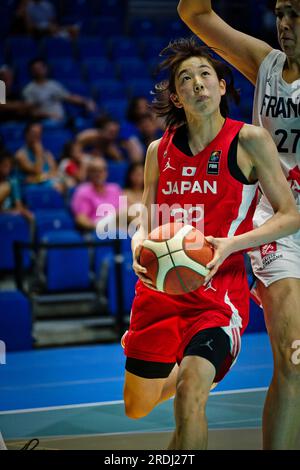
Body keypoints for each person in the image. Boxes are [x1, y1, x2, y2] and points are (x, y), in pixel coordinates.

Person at [122, 37, 300, 450]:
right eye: (186, 79)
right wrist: (137, 244)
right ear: (177, 97)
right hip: (159, 294)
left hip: (218, 297)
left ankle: (191, 369)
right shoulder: (157, 150)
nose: (198, 83)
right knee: (137, 406)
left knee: (191, 394)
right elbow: (145, 219)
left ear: (222, 86)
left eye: (206, 75)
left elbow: (290, 215)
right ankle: (173, 365)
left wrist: (230, 245)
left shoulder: (250, 140)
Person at [177, 0, 300, 450]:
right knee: (293, 360)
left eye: (296, 15)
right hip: (280, 230)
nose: (284, 24)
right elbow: (195, 14)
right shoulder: (266, 65)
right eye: (281, 12)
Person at [22, 59, 96, 124]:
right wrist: (49, 115)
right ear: (31, 71)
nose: (39, 71)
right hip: (43, 122)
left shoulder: (54, 85)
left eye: (41, 68)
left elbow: (69, 97)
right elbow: (31, 112)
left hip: (61, 120)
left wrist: (86, 102)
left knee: (79, 122)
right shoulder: (29, 89)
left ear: (46, 69)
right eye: (35, 69)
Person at [71, 157, 124, 232]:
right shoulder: (83, 191)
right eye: (94, 171)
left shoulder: (115, 189)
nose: (98, 174)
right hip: (98, 226)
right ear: (89, 173)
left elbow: (124, 211)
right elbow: (81, 219)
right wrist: (98, 227)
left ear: (106, 172)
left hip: (118, 225)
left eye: (101, 171)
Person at [15, 121, 63, 191]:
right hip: (30, 187)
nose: (37, 136)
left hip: (46, 182)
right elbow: (37, 171)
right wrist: (38, 153)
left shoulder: (47, 153)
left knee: (64, 183)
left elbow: (54, 172)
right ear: (27, 135)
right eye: (34, 133)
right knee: (56, 187)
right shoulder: (21, 155)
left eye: (39, 133)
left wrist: (45, 176)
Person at [0, 150, 33, 221]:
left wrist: (8, 212)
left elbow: (19, 207)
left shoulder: (12, 183)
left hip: (7, 214)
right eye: (4, 165)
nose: (7, 169)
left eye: (9, 166)